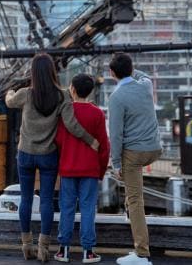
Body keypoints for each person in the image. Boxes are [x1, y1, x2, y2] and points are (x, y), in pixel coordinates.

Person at [6, 53, 100, 262]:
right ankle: (43, 248)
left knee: (26, 199)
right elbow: (71, 125)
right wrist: (91, 140)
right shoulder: (62, 96)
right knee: (47, 201)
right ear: (52, 72)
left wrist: (9, 92)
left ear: (33, 73)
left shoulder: (26, 94)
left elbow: (10, 102)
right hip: (48, 156)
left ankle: (26, 245)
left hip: (26, 154)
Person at [107, 53, 162, 265]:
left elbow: (116, 134)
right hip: (154, 149)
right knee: (134, 195)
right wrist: (130, 68)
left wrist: (116, 164)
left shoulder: (116, 97)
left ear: (112, 74)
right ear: (132, 69)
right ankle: (130, 215)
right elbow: (143, 75)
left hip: (134, 153)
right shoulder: (146, 85)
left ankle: (141, 253)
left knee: (136, 200)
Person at [53, 73, 109, 264]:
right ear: (91, 91)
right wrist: (100, 171)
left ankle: (63, 250)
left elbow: (58, 140)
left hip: (68, 168)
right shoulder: (97, 114)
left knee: (66, 208)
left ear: (72, 90)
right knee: (88, 209)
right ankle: (88, 252)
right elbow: (104, 146)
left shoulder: (65, 112)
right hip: (90, 170)